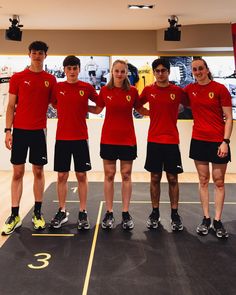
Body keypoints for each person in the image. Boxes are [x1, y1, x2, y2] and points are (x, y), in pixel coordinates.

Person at [1, 41, 57, 235]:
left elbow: (57, 104)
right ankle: (14, 215)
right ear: (29, 54)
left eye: (40, 53)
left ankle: (38, 214)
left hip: (39, 131)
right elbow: (10, 106)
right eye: (34, 52)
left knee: (38, 171)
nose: (37, 56)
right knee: (17, 173)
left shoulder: (51, 79)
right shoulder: (18, 77)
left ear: (45, 56)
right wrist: (8, 130)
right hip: (20, 132)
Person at [89, 60, 147, 230]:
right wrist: (78, 106)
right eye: (117, 71)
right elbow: (98, 109)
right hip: (108, 139)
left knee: (126, 175)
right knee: (109, 175)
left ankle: (125, 213)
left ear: (127, 73)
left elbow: (141, 111)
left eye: (123, 71)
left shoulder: (133, 91)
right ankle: (109, 212)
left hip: (128, 139)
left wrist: (160, 113)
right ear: (112, 72)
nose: (120, 74)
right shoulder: (105, 90)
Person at [184, 57, 233, 238]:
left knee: (219, 181)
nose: (198, 72)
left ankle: (218, 220)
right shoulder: (190, 90)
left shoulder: (220, 89)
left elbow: (228, 117)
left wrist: (225, 142)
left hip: (218, 141)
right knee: (203, 180)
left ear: (206, 69)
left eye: (200, 68)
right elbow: (175, 102)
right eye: (195, 70)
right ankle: (206, 218)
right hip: (198, 140)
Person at [138, 58, 188, 231]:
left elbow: (189, 105)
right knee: (155, 178)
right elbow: (137, 105)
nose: (160, 73)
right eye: (157, 71)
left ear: (168, 72)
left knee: (173, 178)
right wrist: (149, 112)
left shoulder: (177, 91)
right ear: (154, 72)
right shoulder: (148, 90)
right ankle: (155, 212)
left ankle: (175, 214)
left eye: (163, 70)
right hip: (154, 140)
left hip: (172, 140)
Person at [50, 55, 98, 230]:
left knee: (81, 176)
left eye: (74, 68)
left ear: (79, 69)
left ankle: (82, 212)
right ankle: (61, 211)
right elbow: (55, 104)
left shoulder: (86, 87)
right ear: (64, 70)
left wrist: (85, 108)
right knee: (62, 176)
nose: (71, 71)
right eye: (68, 68)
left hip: (80, 138)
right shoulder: (58, 87)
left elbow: (99, 106)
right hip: (62, 138)